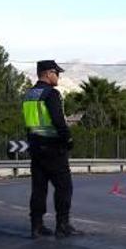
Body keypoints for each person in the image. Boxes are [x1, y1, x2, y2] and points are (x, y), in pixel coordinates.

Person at [23, 60, 82, 239]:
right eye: (57, 73)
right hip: (54, 148)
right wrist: (68, 139)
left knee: (39, 189)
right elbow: (58, 121)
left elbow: (29, 123)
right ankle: (62, 225)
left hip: (35, 148)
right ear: (48, 73)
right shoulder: (52, 94)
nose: (58, 76)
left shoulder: (29, 94)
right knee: (64, 187)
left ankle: (36, 226)